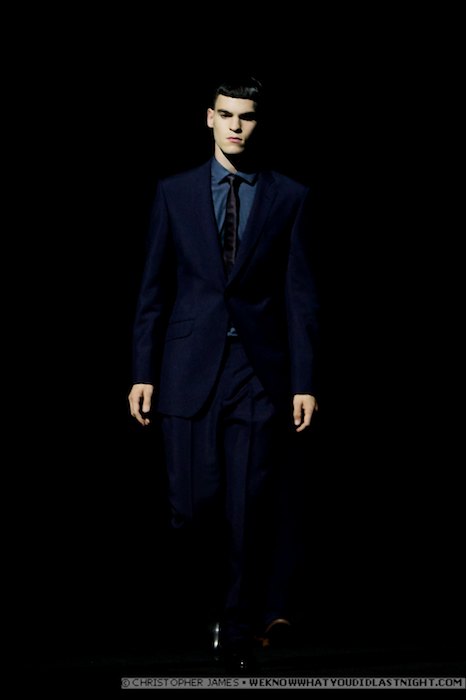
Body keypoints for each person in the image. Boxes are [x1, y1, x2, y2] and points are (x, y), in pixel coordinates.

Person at [128, 75, 320, 673]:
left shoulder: (289, 196)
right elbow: (153, 288)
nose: (237, 126)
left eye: (248, 117)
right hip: (186, 367)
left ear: (259, 123)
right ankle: (210, 604)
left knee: (248, 507)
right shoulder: (174, 192)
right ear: (208, 117)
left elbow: (300, 296)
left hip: (258, 371)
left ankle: (238, 628)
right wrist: (142, 371)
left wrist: (304, 380)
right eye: (227, 114)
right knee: (192, 506)